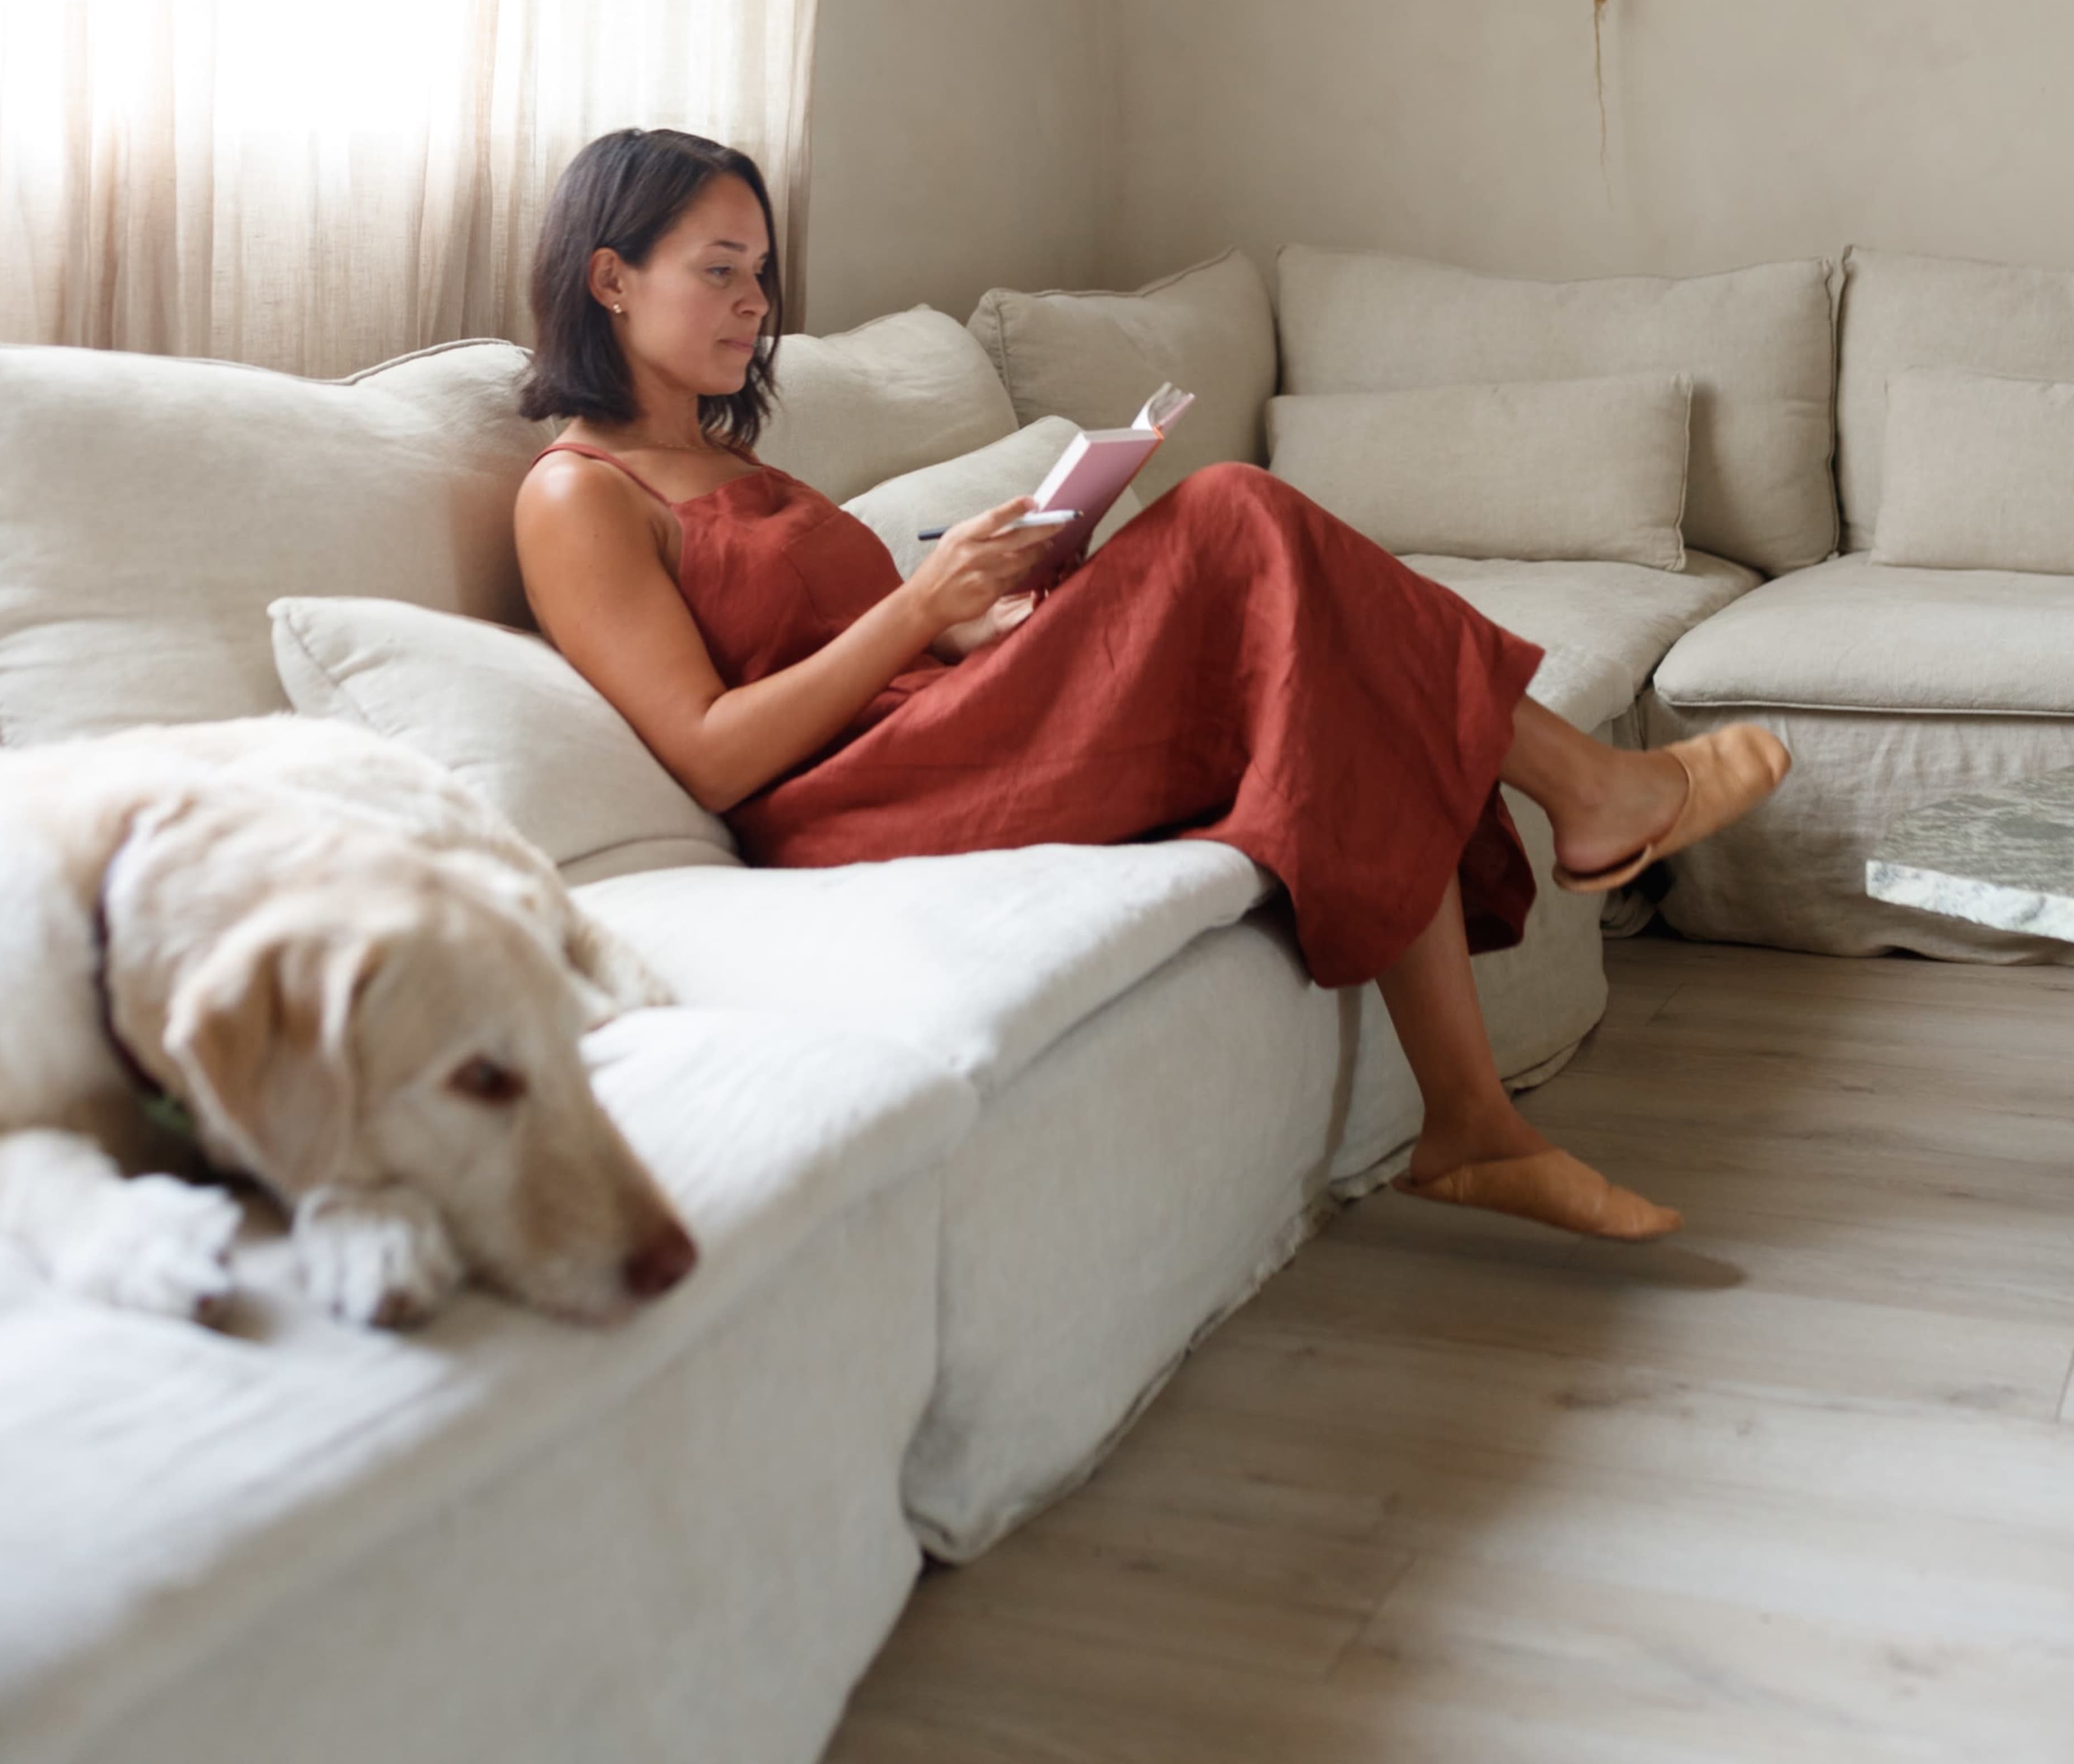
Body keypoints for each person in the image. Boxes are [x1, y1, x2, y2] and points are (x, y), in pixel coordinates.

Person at [514, 129, 1788, 1244]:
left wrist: (985, 618)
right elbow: (710, 751)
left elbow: (861, 639)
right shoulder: (578, 496)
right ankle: (1590, 799)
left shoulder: (735, 457)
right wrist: (921, 606)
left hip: (938, 720)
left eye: (761, 271)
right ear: (610, 278)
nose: (756, 303)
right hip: (850, 802)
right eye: (719, 271)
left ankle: (1473, 1121)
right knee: (1238, 509)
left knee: (1325, 652)